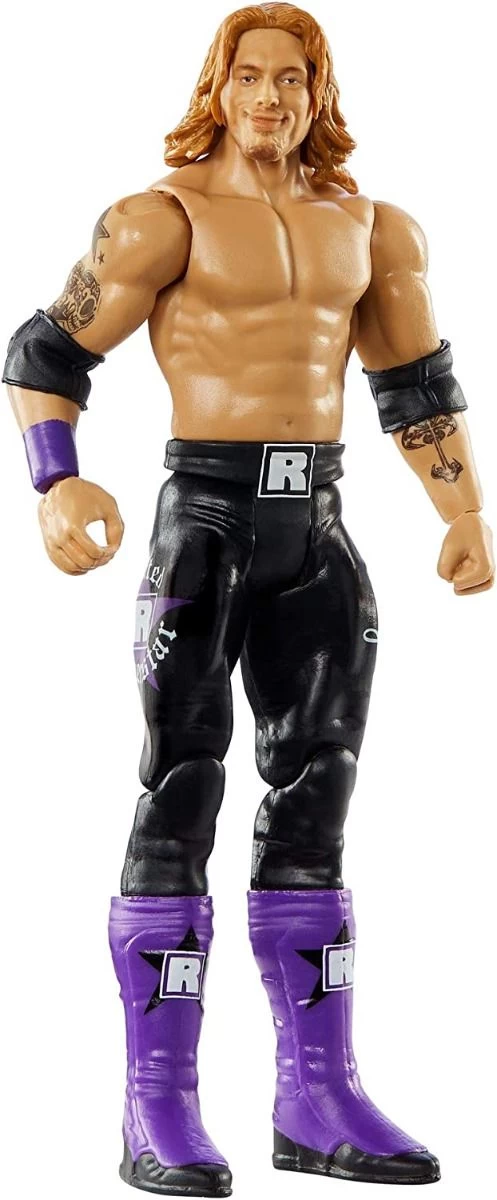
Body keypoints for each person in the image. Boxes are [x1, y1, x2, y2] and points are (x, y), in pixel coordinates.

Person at [4, 3, 494, 1193]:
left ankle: (316, 1096)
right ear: (216, 90)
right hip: (205, 525)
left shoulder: (372, 229)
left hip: (317, 528)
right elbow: (45, 352)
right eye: (249, 76)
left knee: (319, 793)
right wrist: (57, 482)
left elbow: (413, 380)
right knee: (180, 787)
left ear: (317, 94)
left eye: (290, 78)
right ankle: (157, 1107)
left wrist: (463, 512)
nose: (268, 98)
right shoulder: (160, 220)